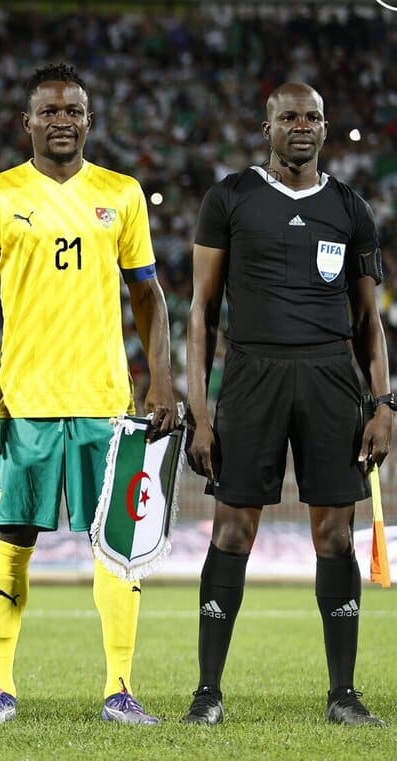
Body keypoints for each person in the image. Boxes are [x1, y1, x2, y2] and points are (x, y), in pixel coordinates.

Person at [0, 63, 179, 726]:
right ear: (26, 122)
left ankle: (119, 688)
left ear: (88, 119)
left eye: (73, 111)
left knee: (115, 547)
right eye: (49, 112)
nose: (61, 121)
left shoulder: (122, 194)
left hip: (105, 403)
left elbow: (148, 295)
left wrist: (161, 378)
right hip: (22, 403)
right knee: (13, 541)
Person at [183, 82, 389, 727]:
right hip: (252, 376)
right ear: (265, 126)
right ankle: (208, 693)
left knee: (335, 534)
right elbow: (201, 310)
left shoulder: (350, 206)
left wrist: (384, 403)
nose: (302, 127)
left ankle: (344, 695)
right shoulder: (231, 197)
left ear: (326, 128)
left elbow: (368, 320)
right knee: (232, 530)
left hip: (332, 378)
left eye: (313, 118)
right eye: (289, 117)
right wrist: (200, 404)